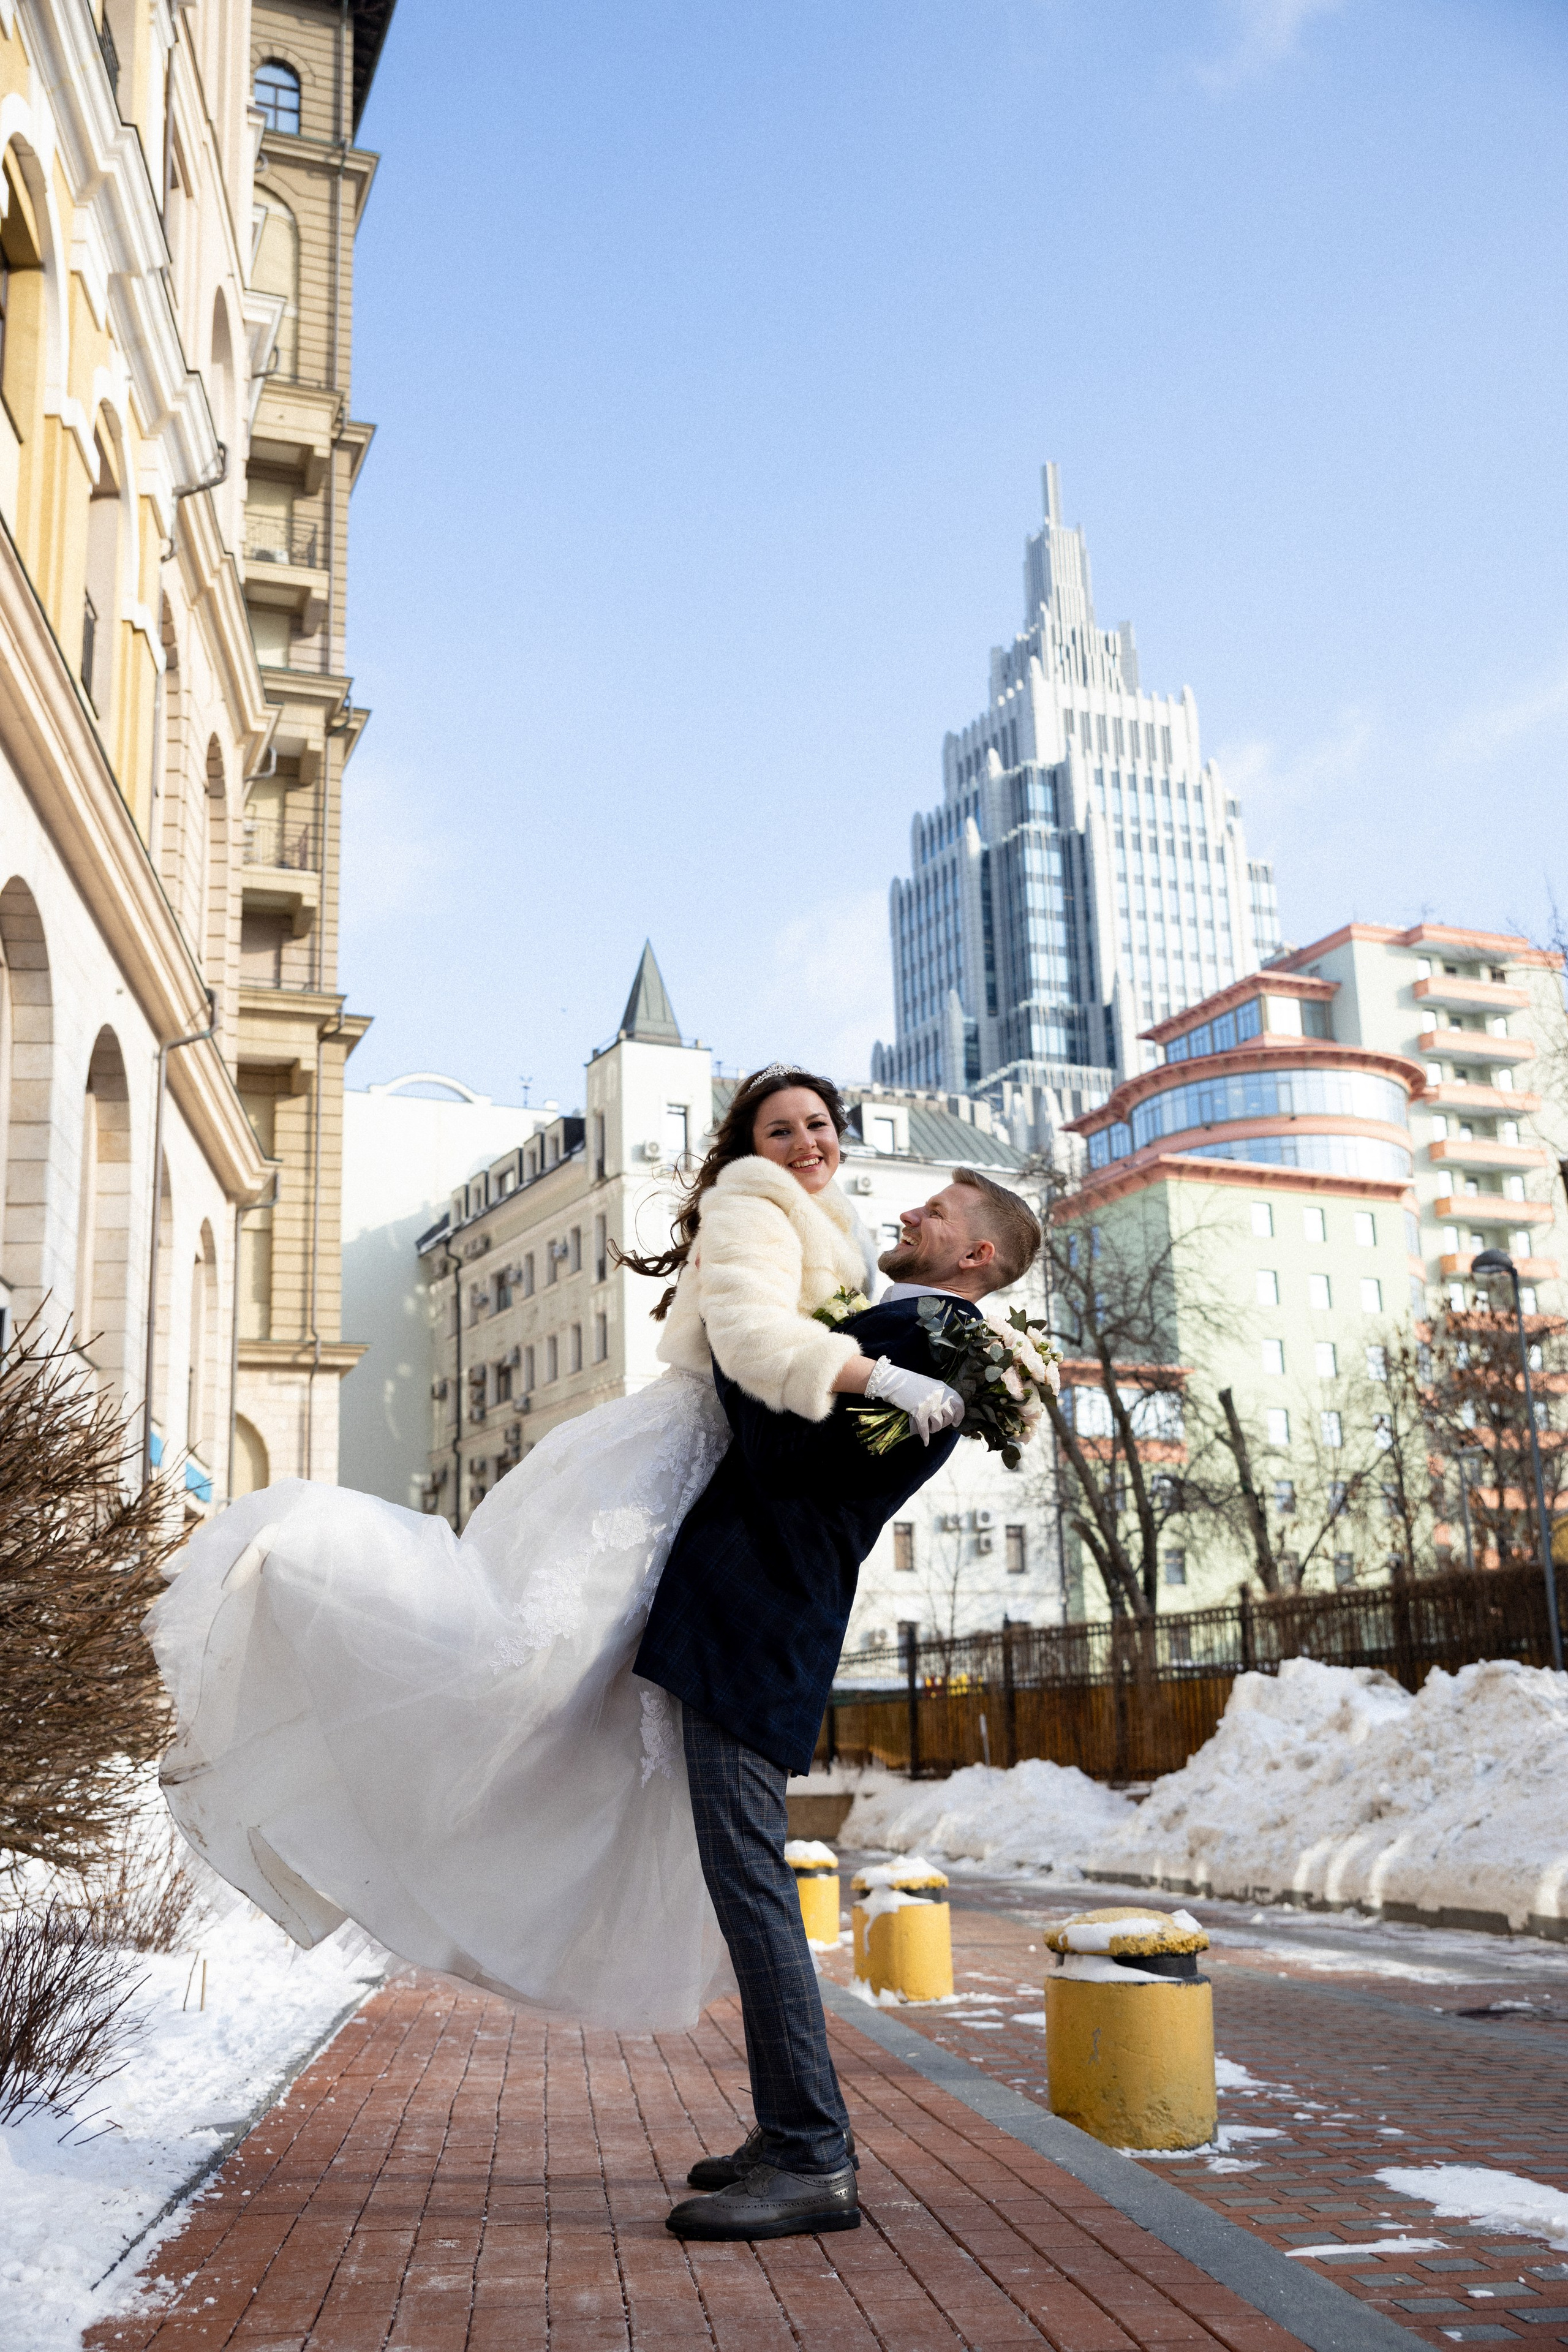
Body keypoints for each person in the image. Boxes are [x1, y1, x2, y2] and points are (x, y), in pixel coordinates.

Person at [146, 1063, 977, 2030]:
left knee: (583, 1707)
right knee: (519, 1663)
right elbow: (752, 1341)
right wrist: (883, 1379)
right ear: (751, 1151)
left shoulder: (832, 1235)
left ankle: (501, 1854)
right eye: (781, 1131)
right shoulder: (753, 1207)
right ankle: (311, 1580)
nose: (807, 1144)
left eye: (820, 1125)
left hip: (710, 1475)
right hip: (672, 1459)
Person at [639, 1159, 1042, 2243]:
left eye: (940, 1211)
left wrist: (742, 1323)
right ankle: (788, 2133)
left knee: (753, 1886)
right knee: (747, 1883)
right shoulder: (895, 1334)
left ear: (978, 1256)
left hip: (758, 1621)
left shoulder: (933, 1347)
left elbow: (782, 1449)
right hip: (749, 1616)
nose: (910, 1212)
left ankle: (816, 2154)